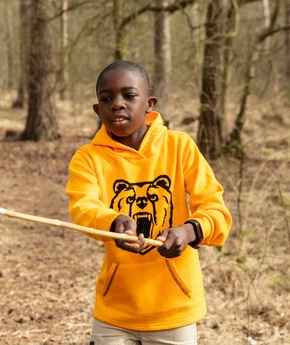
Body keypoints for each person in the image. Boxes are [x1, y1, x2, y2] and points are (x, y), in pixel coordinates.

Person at [66, 60, 232, 345]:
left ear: (149, 104)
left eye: (129, 96)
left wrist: (189, 230)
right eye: (106, 99)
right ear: (98, 109)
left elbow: (216, 211)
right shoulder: (88, 158)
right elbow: (83, 207)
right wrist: (112, 221)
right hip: (115, 311)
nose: (117, 104)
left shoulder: (180, 147)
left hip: (174, 309)